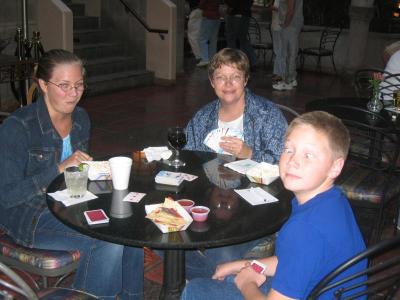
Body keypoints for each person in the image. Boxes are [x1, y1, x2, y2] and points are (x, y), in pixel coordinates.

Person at [0, 49, 143, 300]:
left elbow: (77, 174)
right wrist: (57, 169)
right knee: (108, 242)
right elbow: (7, 196)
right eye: (63, 85)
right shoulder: (18, 126)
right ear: (43, 85)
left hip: (69, 204)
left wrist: (99, 173)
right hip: (29, 216)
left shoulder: (81, 118)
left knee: (130, 229)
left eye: (78, 85)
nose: (73, 93)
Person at [181, 111, 367, 299]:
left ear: (335, 167)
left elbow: (299, 248)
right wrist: (241, 266)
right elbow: (294, 260)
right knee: (229, 273)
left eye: (308, 155)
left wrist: (247, 283)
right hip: (320, 288)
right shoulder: (334, 200)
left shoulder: (303, 230)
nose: (293, 161)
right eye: (288, 149)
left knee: (196, 290)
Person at [185, 48, 287, 163]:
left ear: (245, 80)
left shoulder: (268, 115)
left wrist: (250, 154)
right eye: (220, 77)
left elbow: (284, 160)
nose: (228, 83)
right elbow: (188, 157)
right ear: (212, 82)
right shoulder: (201, 118)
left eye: (236, 77)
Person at [272, 0, 303, 91]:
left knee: (285, 53)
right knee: (291, 53)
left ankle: (286, 82)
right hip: (294, 24)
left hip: (289, 25)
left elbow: (290, 9)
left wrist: (285, 24)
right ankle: (292, 79)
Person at [224, 0, 258, 68]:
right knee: (242, 39)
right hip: (244, 14)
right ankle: (252, 60)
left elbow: (233, 3)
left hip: (236, 14)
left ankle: (233, 60)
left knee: (232, 38)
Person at [197, 0, 221, 67]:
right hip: (217, 17)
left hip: (208, 16)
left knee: (202, 39)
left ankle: (205, 59)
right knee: (213, 40)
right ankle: (212, 59)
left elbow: (201, 5)